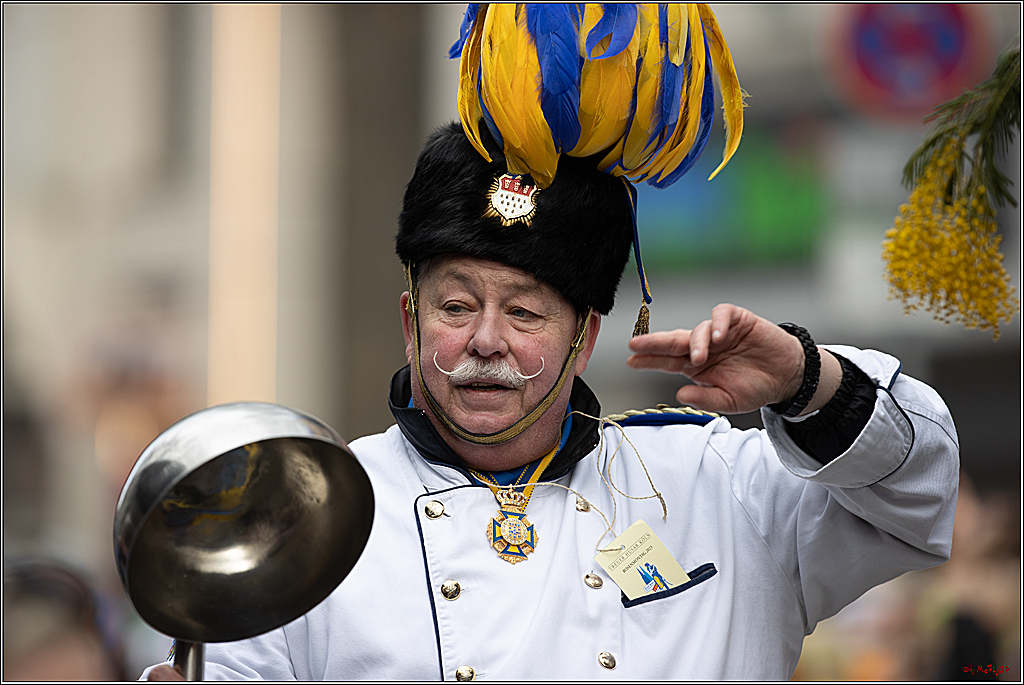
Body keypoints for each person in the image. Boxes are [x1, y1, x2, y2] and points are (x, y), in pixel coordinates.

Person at [146, 5, 958, 680]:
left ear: (585, 337)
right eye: (456, 305)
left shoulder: (718, 483)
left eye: (527, 314)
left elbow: (919, 498)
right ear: (410, 320)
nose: (485, 341)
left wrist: (807, 378)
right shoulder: (310, 516)